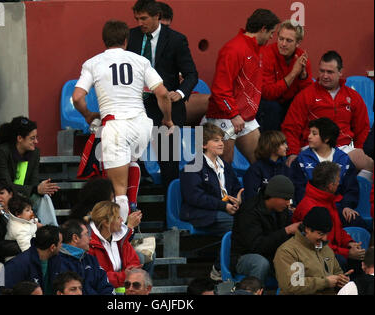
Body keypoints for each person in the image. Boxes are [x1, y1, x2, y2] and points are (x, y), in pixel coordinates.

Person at [73, 19, 172, 222]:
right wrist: (168, 119)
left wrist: (88, 115)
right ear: (126, 40)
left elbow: (77, 97)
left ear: (104, 40)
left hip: (116, 125)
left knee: (118, 191)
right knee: (132, 162)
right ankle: (132, 212)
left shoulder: (92, 63)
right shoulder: (140, 61)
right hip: (141, 123)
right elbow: (162, 94)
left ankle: (121, 237)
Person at [127, 0, 198, 190]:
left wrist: (181, 93)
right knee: (131, 158)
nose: (140, 22)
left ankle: (170, 214)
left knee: (168, 164)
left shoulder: (176, 39)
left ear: (157, 16)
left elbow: (192, 74)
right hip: (137, 107)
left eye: (144, 18)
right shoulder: (131, 37)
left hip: (166, 107)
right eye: (137, 19)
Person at [205, 9, 280, 165]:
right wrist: (233, 114)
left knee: (261, 162)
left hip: (246, 118)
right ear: (263, 29)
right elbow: (220, 89)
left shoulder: (257, 50)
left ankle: (257, 190)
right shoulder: (233, 50)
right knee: (224, 162)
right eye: (272, 32)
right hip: (225, 116)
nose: (272, 37)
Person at [282, 50, 372, 173]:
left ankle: (362, 190)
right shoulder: (306, 95)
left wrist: (361, 150)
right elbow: (290, 127)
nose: (324, 76)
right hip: (313, 148)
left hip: (342, 149)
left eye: (330, 72)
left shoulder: (353, 97)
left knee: (368, 163)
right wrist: (292, 152)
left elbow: (363, 129)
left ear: (340, 72)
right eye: (322, 71)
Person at [179, 123, 243, 280]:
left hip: (224, 209)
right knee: (237, 225)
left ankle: (233, 266)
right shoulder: (192, 167)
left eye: (221, 139)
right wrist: (224, 206)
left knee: (249, 221)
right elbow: (195, 197)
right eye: (215, 140)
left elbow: (236, 188)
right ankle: (219, 269)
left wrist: (238, 200)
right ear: (203, 144)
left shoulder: (225, 166)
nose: (221, 143)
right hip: (200, 213)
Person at [290, 118, 368, 230]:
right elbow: (298, 188)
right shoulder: (301, 160)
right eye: (310, 132)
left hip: (337, 207)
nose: (309, 136)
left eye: (314, 133)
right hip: (311, 207)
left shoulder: (344, 159)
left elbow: (351, 188)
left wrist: (347, 206)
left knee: (357, 222)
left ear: (326, 139)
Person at [292, 161, 366, 274]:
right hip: (312, 256)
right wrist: (347, 253)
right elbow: (318, 244)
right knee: (341, 261)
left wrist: (349, 243)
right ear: (330, 186)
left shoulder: (327, 200)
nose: (339, 183)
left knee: (360, 258)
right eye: (337, 180)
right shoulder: (310, 208)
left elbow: (338, 230)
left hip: (331, 250)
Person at [230, 175, 300, 284]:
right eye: (285, 199)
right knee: (260, 263)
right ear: (273, 196)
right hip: (244, 256)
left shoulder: (282, 210)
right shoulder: (249, 211)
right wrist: (287, 231)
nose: (288, 204)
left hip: (271, 254)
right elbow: (256, 246)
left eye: (289, 199)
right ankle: (254, 291)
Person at [0, 116, 59, 226]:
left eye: (36, 137)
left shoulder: (34, 153)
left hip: (24, 196)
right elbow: (6, 184)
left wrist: (39, 188)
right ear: (19, 138)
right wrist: (35, 189)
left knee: (44, 197)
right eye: (32, 138)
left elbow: (34, 180)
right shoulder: (2, 152)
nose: (36, 141)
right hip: (7, 197)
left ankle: (51, 231)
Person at [274, 206, 351, 295]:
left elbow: (337, 272)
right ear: (307, 229)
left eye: (327, 234)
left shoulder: (326, 249)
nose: (325, 238)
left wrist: (341, 280)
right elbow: (291, 284)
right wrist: (325, 282)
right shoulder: (288, 251)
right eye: (320, 234)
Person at [257, 20, 313, 132]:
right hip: (267, 104)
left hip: (288, 103)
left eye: (289, 40)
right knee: (272, 107)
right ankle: (270, 147)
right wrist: (293, 74)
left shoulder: (302, 58)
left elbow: (307, 95)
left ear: (298, 42)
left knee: (305, 106)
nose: (283, 44)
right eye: (281, 39)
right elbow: (268, 93)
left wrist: (303, 76)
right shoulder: (267, 54)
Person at [87, 201, 142, 291]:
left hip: (123, 287)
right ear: (106, 223)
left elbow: (134, 261)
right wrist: (125, 275)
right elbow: (99, 277)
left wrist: (131, 272)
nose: (122, 220)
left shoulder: (120, 237)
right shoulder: (89, 244)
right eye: (118, 217)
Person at [59, 219, 115, 295]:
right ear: (75, 238)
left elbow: (106, 288)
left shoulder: (91, 259)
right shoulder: (58, 261)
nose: (90, 238)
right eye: (86, 234)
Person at [2, 225, 62, 295]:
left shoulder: (56, 259)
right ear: (52, 247)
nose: (62, 246)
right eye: (61, 243)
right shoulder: (17, 264)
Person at [243, 130, 290, 202]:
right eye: (283, 144)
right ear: (272, 146)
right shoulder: (255, 170)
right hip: (259, 211)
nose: (286, 147)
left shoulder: (285, 168)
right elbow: (250, 198)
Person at [4, 194, 41, 260]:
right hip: (17, 258)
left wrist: (35, 222)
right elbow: (26, 248)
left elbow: (30, 224)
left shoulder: (24, 219)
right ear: (18, 214)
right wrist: (35, 257)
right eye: (27, 210)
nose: (31, 211)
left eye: (31, 209)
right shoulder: (18, 229)